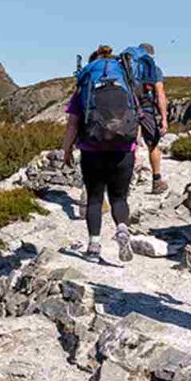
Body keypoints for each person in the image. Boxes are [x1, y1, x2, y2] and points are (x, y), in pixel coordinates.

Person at [62, 46, 139, 263]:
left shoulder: (84, 88)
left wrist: (66, 149)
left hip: (92, 149)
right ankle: (122, 230)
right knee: (119, 198)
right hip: (123, 150)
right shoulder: (127, 84)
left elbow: (72, 124)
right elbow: (137, 118)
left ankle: (94, 247)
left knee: (95, 199)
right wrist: (134, 147)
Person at [132, 43, 170, 194]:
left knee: (130, 145)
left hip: (129, 109)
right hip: (147, 110)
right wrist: (164, 118)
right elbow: (160, 94)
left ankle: (125, 181)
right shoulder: (154, 69)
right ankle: (156, 180)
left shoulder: (128, 69)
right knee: (153, 144)